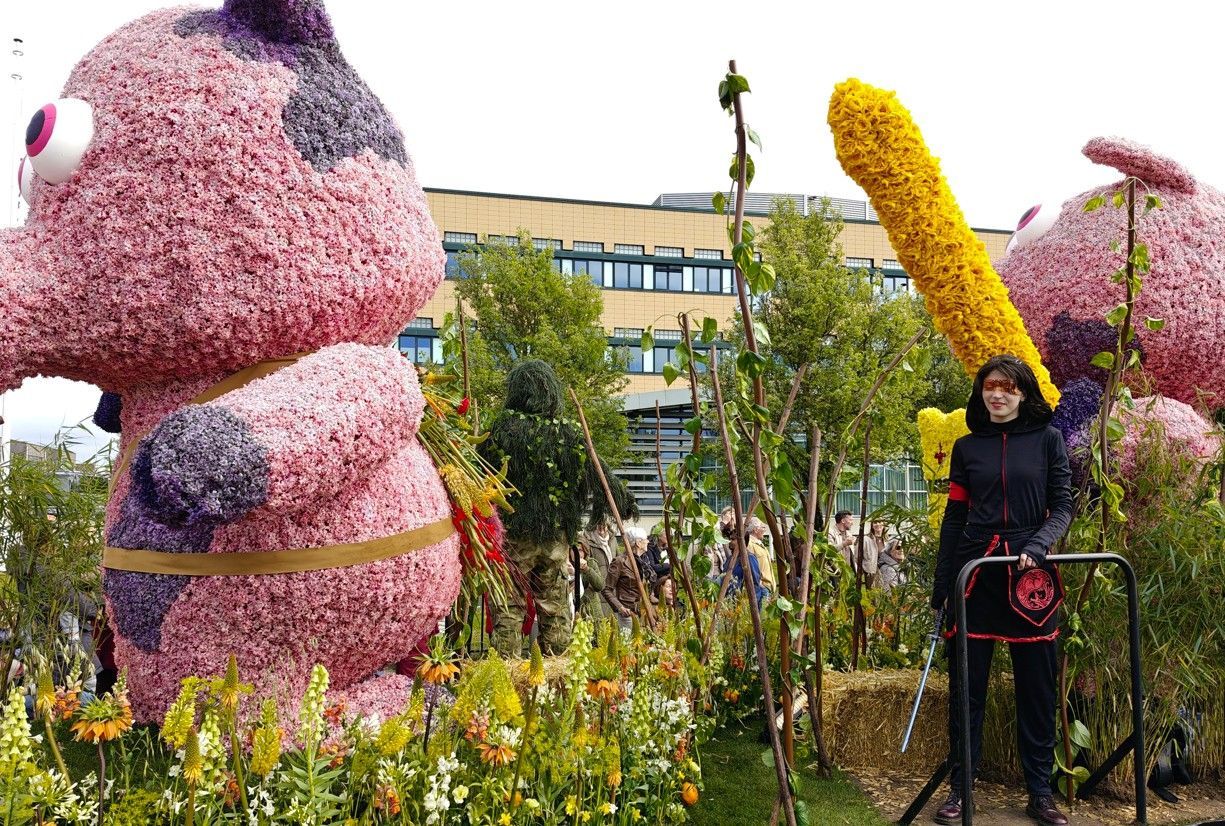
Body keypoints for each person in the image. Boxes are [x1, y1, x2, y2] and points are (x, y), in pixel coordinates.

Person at [929, 355, 1073, 826]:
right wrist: (942, 585)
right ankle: (960, 791)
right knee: (966, 693)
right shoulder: (967, 448)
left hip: (1031, 576)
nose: (998, 394)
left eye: (1008, 387)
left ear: (1024, 393)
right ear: (981, 391)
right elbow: (954, 518)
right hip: (977, 574)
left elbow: (1063, 506)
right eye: (990, 385)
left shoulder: (1050, 442)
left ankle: (1039, 792)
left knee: (1037, 689)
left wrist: (1038, 544)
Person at [604, 526, 649, 631]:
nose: (648, 542)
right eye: (645, 540)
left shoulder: (643, 562)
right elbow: (606, 589)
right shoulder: (620, 562)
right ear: (638, 543)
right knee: (627, 644)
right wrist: (620, 608)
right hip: (627, 614)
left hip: (642, 613)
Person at [579, 521, 615, 619]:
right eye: (599, 526)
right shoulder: (589, 542)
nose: (602, 529)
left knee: (608, 616)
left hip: (610, 582)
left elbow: (617, 558)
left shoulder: (613, 540)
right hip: (593, 590)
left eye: (605, 526)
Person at [745, 517, 777, 595]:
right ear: (756, 530)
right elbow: (749, 565)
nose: (764, 530)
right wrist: (760, 584)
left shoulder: (759, 544)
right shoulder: (749, 544)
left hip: (766, 588)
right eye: (763, 527)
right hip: (761, 589)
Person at [856, 519, 889, 589]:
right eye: (875, 522)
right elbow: (857, 556)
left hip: (886, 571)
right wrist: (863, 569)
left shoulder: (887, 540)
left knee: (886, 593)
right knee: (872, 595)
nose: (877, 524)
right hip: (871, 572)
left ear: (884, 524)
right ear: (872, 525)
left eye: (880, 522)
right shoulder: (865, 539)